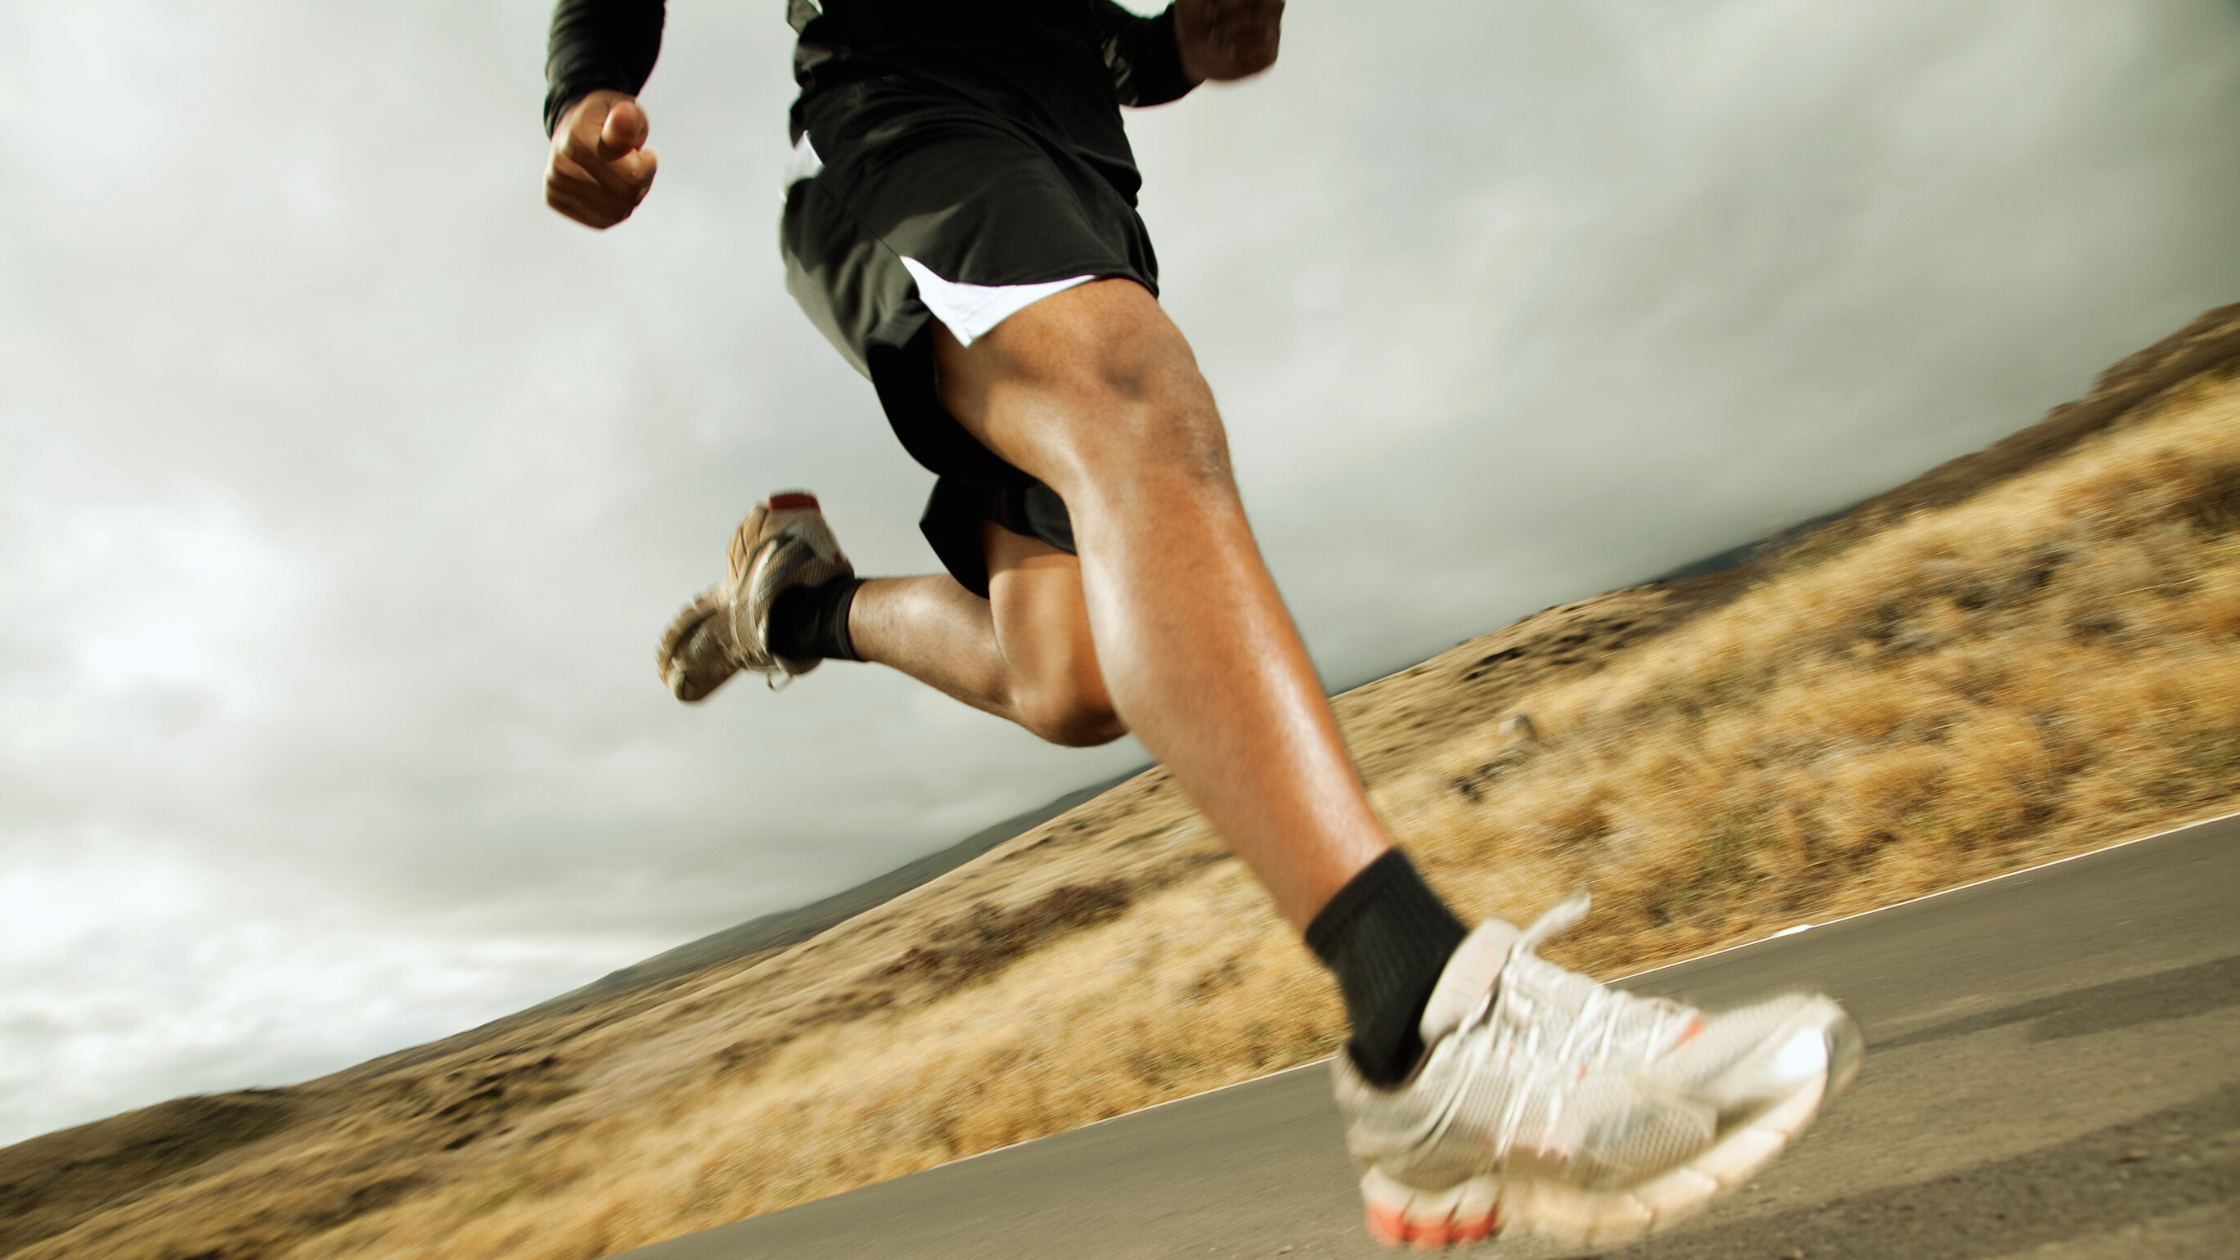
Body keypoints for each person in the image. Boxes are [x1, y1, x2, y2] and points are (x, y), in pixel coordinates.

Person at [540, 1, 1858, 1248]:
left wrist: (1178, 43)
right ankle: (1423, 1023)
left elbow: (1091, 40)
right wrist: (592, 77)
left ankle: (803, 606)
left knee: (1069, 680)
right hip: (912, 144)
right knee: (1131, 397)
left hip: (1076, 190)